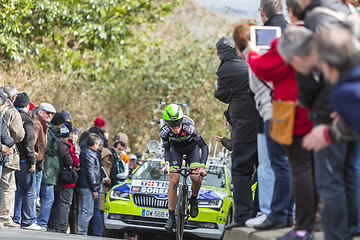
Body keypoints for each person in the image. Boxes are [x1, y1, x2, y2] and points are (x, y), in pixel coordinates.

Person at [246, 0, 315, 233]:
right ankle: (294, 218)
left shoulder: (290, 38)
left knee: (284, 165)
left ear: (292, 11)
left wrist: (252, 54)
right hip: (312, 108)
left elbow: (266, 68)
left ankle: (282, 216)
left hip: (287, 110)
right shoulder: (317, 35)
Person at [215, 34, 259, 230]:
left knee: (240, 170)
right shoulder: (253, 61)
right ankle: (260, 212)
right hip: (264, 124)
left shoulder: (228, 67)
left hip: (245, 128)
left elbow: (221, 94)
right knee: (264, 171)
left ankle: (243, 216)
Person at [160, 104, 208, 232]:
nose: (175, 128)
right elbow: (166, 149)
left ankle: (193, 199)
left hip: (192, 149)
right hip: (176, 150)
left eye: (177, 124)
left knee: (195, 177)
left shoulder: (189, 127)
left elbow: (204, 147)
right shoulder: (164, 131)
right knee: (174, 180)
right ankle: (170, 216)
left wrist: (202, 166)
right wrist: (166, 164)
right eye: (172, 125)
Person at [13, 93, 40, 230]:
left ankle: (15, 218)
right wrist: (32, 161)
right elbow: (29, 143)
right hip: (24, 160)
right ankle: (28, 220)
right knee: (29, 191)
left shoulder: (11, 116)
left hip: (11, 160)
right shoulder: (27, 120)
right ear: (27, 105)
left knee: (16, 191)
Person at [0, 84, 25, 228]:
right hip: (8, 153)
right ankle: (5, 218)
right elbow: (19, 135)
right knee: (8, 186)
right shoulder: (12, 112)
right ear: (14, 97)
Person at [37, 112, 65, 230]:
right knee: (48, 197)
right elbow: (46, 148)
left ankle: (39, 221)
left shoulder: (51, 131)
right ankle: (41, 222)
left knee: (44, 197)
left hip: (50, 169)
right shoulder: (49, 132)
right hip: (48, 170)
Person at [32, 103, 56, 223]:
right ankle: (30, 220)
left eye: (52, 114)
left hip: (39, 165)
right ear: (40, 112)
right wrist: (34, 159)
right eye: (47, 113)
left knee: (34, 194)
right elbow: (31, 145)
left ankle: (31, 220)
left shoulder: (45, 126)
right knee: (33, 194)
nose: (50, 116)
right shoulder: (37, 124)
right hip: (35, 165)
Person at [76, 133, 102, 236]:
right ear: (95, 144)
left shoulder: (84, 152)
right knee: (87, 211)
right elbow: (91, 172)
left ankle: (80, 230)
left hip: (82, 185)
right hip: (87, 186)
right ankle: (82, 232)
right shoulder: (90, 154)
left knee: (82, 210)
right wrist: (95, 188)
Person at [53, 121, 75, 233]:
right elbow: (71, 161)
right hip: (64, 178)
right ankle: (60, 226)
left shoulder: (55, 143)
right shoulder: (67, 146)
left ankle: (54, 224)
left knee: (57, 202)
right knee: (64, 204)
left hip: (56, 176)